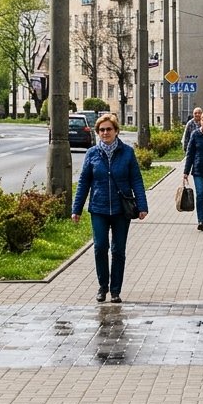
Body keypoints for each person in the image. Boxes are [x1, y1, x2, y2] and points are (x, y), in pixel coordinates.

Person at [71, 113, 148, 303]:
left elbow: (136, 180)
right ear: (98, 132)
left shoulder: (127, 152)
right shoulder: (92, 154)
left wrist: (142, 205)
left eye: (109, 129)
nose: (105, 133)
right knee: (99, 248)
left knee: (118, 250)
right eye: (102, 130)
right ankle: (102, 286)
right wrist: (77, 208)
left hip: (122, 210)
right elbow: (83, 182)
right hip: (98, 208)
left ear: (116, 131)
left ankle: (115, 290)